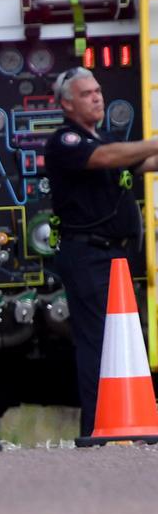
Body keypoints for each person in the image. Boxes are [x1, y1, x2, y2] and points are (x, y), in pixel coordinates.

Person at [44, 66, 158, 436]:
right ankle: (98, 428)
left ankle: (130, 420)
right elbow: (107, 158)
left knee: (126, 337)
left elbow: (144, 162)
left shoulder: (103, 139)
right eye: (86, 93)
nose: (97, 97)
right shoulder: (66, 142)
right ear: (66, 104)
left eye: (98, 90)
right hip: (87, 256)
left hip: (116, 257)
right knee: (96, 342)